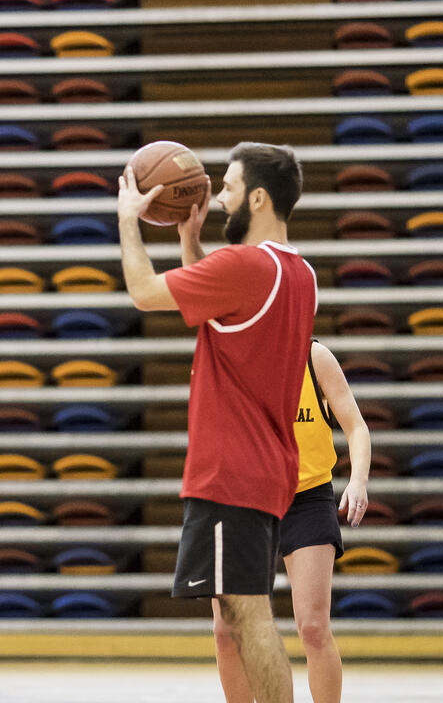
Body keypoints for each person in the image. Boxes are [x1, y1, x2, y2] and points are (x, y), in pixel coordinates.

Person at [117, 142, 317, 703]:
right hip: (265, 466)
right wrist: (190, 244)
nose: (217, 196)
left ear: (256, 196)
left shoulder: (245, 265)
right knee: (231, 617)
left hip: (232, 469)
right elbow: (220, 309)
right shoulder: (297, 271)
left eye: (226, 187)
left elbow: (142, 292)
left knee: (247, 613)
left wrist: (127, 222)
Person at [213, 340, 375, 703]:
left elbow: (357, 427)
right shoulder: (228, 355)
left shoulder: (313, 356)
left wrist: (358, 480)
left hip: (306, 496)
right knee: (227, 631)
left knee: (314, 628)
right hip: (243, 501)